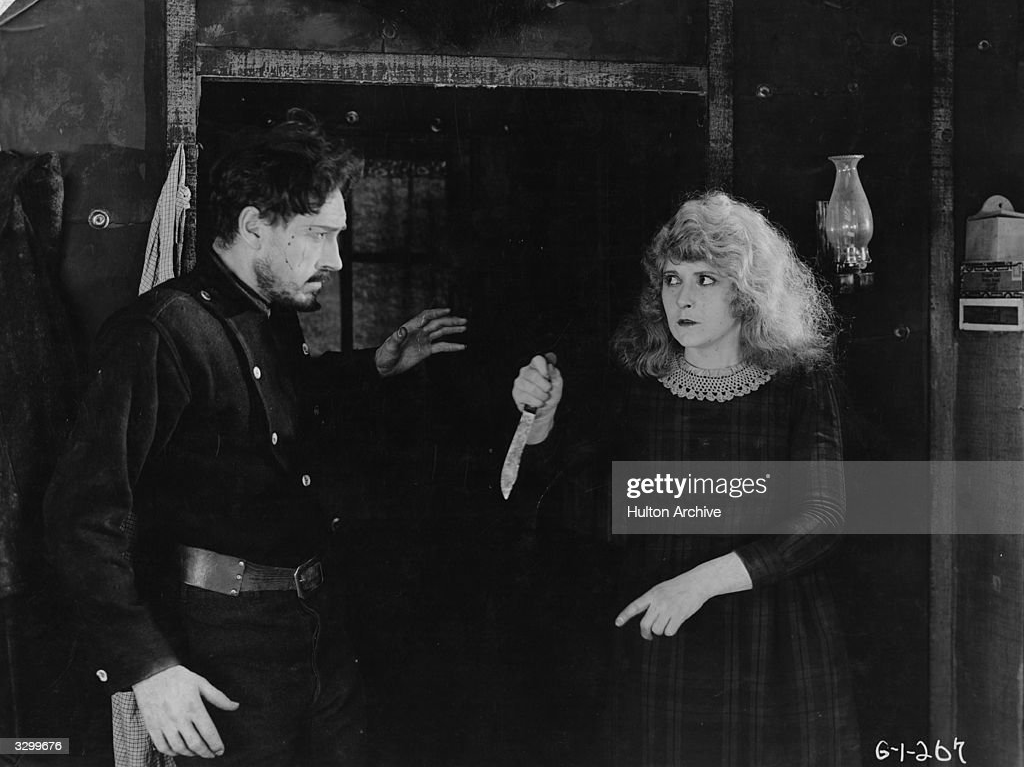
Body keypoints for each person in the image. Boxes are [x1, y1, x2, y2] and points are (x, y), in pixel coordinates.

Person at [44, 112, 467, 765]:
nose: (335, 259)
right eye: (318, 235)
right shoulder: (159, 333)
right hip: (221, 643)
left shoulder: (268, 315)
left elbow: (266, 410)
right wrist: (148, 666)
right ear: (252, 226)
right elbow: (83, 515)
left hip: (317, 627)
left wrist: (373, 367)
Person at [511, 191, 860, 766]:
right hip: (663, 646)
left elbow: (824, 517)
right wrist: (543, 424)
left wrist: (700, 583)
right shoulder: (639, 381)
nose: (683, 298)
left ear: (747, 291)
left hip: (772, 644)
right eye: (672, 279)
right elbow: (587, 511)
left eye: (706, 280)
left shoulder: (799, 381)